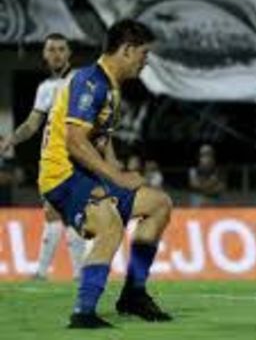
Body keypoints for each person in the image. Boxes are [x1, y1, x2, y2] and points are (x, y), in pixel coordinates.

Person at [38, 19, 173, 328]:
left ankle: (133, 295)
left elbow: (101, 139)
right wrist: (117, 177)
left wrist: (117, 170)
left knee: (158, 204)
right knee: (110, 225)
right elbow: (75, 141)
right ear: (126, 50)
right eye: (143, 54)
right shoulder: (91, 82)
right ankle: (83, 313)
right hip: (63, 176)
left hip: (86, 173)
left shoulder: (110, 85)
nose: (145, 61)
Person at [0, 33, 85, 281]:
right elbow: (32, 123)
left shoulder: (79, 81)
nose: (56, 53)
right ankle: (46, 272)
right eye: (51, 49)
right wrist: (11, 140)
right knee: (53, 212)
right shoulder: (46, 88)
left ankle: (64, 273)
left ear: (69, 53)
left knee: (71, 214)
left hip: (74, 156)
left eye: (61, 49)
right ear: (45, 55)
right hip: (52, 157)